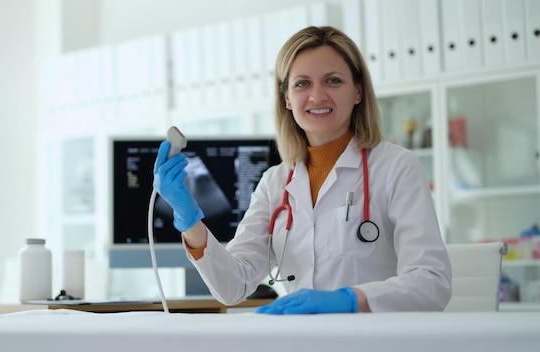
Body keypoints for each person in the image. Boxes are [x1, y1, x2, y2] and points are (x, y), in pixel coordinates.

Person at [153, 25, 452, 314]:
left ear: (358, 92)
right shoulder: (275, 183)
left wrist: (350, 299)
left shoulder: (396, 167)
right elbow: (234, 285)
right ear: (286, 98)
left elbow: (432, 282)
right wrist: (188, 218)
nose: (317, 96)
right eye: (302, 83)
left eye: (333, 81)